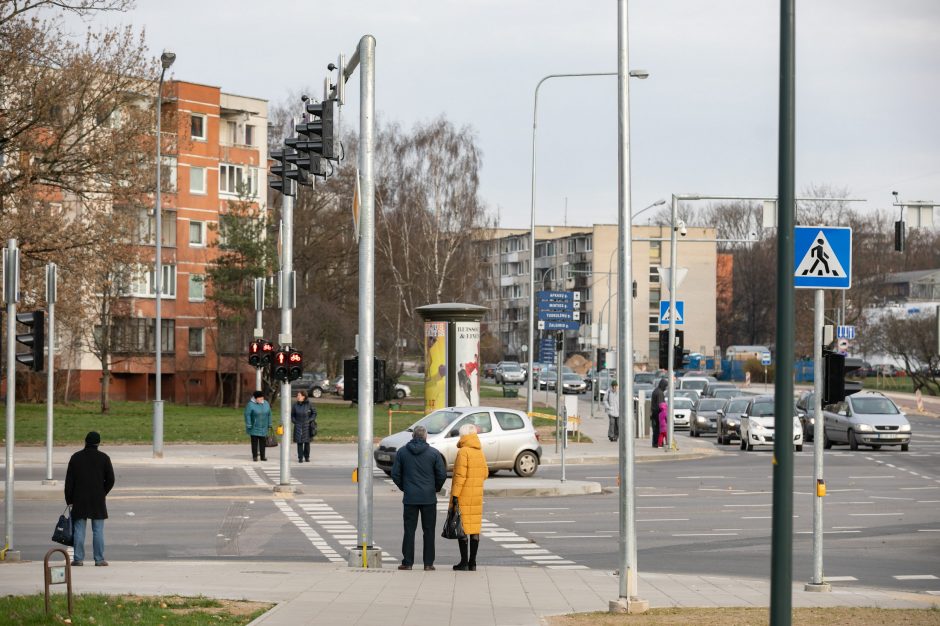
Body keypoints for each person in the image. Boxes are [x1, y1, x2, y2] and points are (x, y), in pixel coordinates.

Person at [391, 424, 446, 571]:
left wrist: (405, 487)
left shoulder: (402, 452)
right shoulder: (434, 453)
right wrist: (435, 489)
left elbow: (395, 474)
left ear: (413, 436)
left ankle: (407, 562)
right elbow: (441, 474)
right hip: (429, 498)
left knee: (409, 530)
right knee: (429, 531)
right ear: (426, 436)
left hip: (410, 498)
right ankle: (428, 564)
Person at [64, 431, 115, 566]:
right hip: (97, 499)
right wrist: (103, 492)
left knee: (79, 530)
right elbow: (111, 479)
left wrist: (69, 500)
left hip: (79, 499)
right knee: (98, 530)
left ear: (85, 442)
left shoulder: (76, 457)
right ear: (98, 443)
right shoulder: (104, 458)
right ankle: (99, 559)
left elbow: (69, 482)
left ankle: (78, 559)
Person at [451, 423, 488, 571]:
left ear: (464, 436)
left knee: (463, 528)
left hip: (464, 494)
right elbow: (485, 473)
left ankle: (464, 562)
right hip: (477, 495)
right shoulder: (479, 451)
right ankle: (473, 563)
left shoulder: (463, 452)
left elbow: (460, 476)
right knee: (474, 529)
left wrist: (455, 495)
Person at [244, 390, 272, 462]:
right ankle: (255, 456)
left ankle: (263, 456)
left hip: (263, 427)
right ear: (255, 398)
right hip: (254, 427)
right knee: (254, 443)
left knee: (263, 442)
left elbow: (269, 414)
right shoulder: (250, 404)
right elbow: (247, 415)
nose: (261, 400)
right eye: (260, 399)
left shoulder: (266, 403)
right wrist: (249, 424)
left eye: (262, 398)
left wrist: (269, 424)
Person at [292, 390, 317, 463]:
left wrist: (310, 420)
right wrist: (295, 421)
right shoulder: (295, 405)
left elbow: (314, 413)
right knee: (299, 442)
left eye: (299, 395)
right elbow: (292, 415)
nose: (297, 397)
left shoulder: (309, 404)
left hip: (307, 425)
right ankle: (300, 457)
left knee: (307, 442)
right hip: (298, 425)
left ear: (304, 396)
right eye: (297, 395)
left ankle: (307, 457)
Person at [650, 378, 668, 448]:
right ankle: (657, 443)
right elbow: (661, 405)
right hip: (658, 414)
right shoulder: (660, 393)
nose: (666, 388)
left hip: (654, 413)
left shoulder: (656, 391)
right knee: (658, 429)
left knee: (655, 429)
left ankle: (655, 443)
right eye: (665, 386)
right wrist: (664, 415)